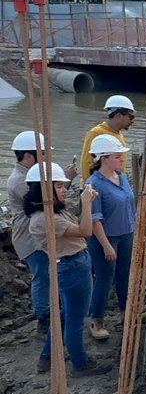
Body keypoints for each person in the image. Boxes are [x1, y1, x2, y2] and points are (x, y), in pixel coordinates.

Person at [25, 162, 112, 377]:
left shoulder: (54, 212)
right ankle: (80, 363)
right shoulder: (47, 219)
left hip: (73, 262)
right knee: (76, 318)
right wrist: (87, 203)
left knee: (66, 314)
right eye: (59, 187)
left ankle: (47, 355)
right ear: (45, 190)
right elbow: (85, 230)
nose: (65, 190)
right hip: (72, 266)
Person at [7, 131, 78, 335]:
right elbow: (46, 201)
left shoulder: (31, 176)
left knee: (49, 274)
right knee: (42, 276)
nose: (47, 158)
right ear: (28, 156)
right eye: (43, 154)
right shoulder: (21, 181)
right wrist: (66, 180)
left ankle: (52, 311)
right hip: (30, 238)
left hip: (37, 235)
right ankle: (44, 317)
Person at [86, 135, 136, 340]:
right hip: (105, 239)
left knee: (125, 275)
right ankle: (96, 320)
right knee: (104, 279)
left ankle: (126, 312)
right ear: (103, 159)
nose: (122, 160)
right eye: (117, 156)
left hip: (126, 234)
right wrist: (106, 245)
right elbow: (95, 219)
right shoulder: (94, 184)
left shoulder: (121, 178)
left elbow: (130, 205)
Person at [80, 95, 135, 188]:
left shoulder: (119, 135)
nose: (133, 121)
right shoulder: (96, 133)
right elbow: (86, 164)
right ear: (119, 115)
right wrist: (92, 188)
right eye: (131, 117)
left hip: (113, 187)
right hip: (96, 189)